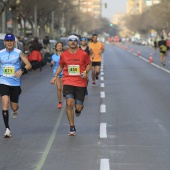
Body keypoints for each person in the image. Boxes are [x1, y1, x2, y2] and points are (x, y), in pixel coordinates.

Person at [50, 35, 91, 136]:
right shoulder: (64, 55)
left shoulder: (83, 54)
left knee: (79, 107)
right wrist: (55, 76)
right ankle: (72, 127)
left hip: (80, 82)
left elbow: (89, 64)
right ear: (68, 42)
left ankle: (78, 110)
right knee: (69, 103)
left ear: (78, 42)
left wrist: (85, 72)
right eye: (71, 40)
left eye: (75, 40)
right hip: (68, 81)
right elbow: (61, 65)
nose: (73, 42)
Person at [0, 33, 32, 138]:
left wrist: (22, 70)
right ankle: (7, 129)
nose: (9, 42)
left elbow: (29, 65)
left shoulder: (19, 53)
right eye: (7, 41)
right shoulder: (0, 53)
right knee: (5, 103)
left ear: (14, 42)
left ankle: (15, 109)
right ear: (4, 42)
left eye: (11, 41)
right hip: (3, 81)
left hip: (15, 83)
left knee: (13, 107)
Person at [50, 42, 63, 109]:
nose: (60, 47)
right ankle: (60, 102)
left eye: (61, 46)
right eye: (58, 46)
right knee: (59, 88)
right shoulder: (53, 56)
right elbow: (51, 64)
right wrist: (52, 63)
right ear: (56, 47)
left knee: (64, 89)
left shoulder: (65, 55)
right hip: (56, 73)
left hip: (64, 73)